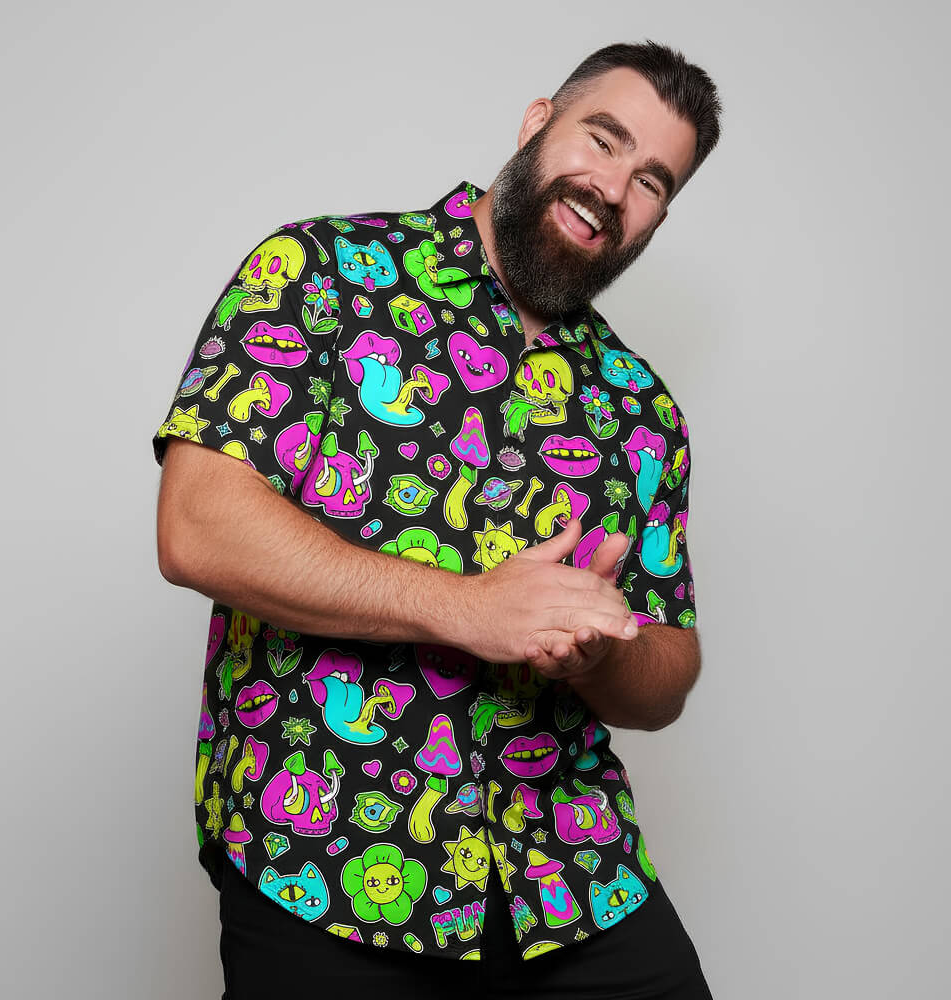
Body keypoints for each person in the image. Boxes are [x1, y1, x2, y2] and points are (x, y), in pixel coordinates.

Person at [155, 39, 722, 1000]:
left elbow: (668, 674)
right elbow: (197, 525)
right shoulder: (321, 272)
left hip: (572, 878)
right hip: (327, 861)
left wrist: (601, 652)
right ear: (538, 121)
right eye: (602, 137)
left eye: (653, 180)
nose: (613, 186)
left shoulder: (642, 408)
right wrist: (465, 608)